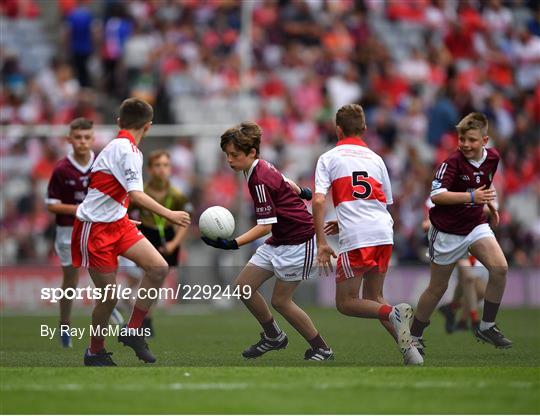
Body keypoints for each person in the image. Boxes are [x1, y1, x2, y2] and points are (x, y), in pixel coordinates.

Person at [71, 98, 190, 366]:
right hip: (96, 229)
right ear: (148, 126)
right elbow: (136, 194)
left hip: (118, 223)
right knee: (110, 297)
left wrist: (120, 214)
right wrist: (170, 214)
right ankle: (95, 351)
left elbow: (112, 189)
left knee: (159, 267)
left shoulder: (122, 148)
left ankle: (133, 329)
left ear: (119, 122)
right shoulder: (127, 150)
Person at [201, 121, 334, 361]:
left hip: (298, 241)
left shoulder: (258, 178)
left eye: (234, 155)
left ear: (251, 153)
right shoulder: (259, 166)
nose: (229, 160)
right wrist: (300, 191)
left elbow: (265, 226)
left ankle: (321, 347)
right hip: (279, 239)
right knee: (243, 287)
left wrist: (233, 243)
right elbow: (284, 181)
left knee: (281, 301)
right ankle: (274, 336)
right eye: (227, 155)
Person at [313, 104, 423, 366]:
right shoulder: (376, 158)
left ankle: (394, 313)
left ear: (337, 129)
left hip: (358, 236)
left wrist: (321, 242)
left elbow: (318, 202)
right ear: (364, 128)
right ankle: (411, 353)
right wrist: (346, 219)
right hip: (383, 231)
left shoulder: (329, 157)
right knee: (375, 298)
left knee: (346, 302)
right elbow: (381, 201)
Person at [411, 112, 512, 356]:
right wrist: (472, 197)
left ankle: (486, 326)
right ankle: (414, 335)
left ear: (485, 140)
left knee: (500, 268)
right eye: (462, 139)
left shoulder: (493, 158)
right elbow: (436, 196)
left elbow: (484, 184)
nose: (466, 144)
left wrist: (490, 206)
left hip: (475, 225)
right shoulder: (452, 163)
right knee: (438, 288)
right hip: (447, 231)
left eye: (472, 140)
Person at [46, 118, 124, 347]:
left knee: (106, 272)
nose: (82, 142)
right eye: (77, 137)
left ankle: (109, 308)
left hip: (96, 229)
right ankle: (64, 324)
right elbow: (51, 204)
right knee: (70, 279)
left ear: (93, 139)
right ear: (69, 140)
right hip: (68, 231)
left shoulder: (100, 164)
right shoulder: (61, 169)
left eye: (86, 137)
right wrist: (79, 209)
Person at [118, 149, 190, 336]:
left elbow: (185, 222)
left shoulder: (177, 194)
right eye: (157, 165)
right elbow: (123, 213)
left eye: (165, 165)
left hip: (165, 241)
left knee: (154, 286)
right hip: (141, 240)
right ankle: (138, 318)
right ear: (149, 169)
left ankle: (142, 318)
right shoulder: (140, 193)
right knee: (141, 280)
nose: (161, 169)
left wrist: (174, 244)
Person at [422, 198, 487, 333]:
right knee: (468, 277)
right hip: (448, 243)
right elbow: (425, 225)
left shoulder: (468, 194)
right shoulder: (434, 199)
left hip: (470, 242)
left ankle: (452, 308)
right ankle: (474, 321)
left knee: (480, 291)